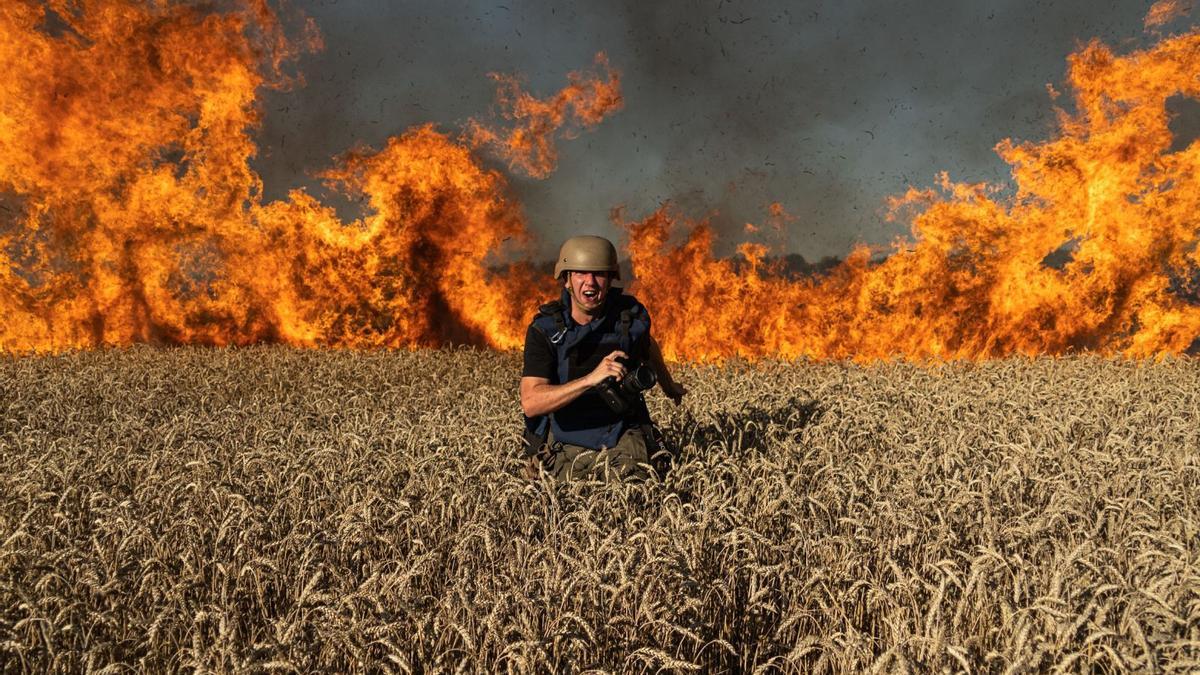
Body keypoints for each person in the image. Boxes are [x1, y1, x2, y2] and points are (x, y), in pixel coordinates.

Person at [520, 235, 687, 481]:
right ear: (566, 279)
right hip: (567, 436)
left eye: (599, 274)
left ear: (610, 280)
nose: (590, 282)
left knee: (635, 495)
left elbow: (647, 344)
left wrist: (667, 384)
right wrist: (590, 379)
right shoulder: (546, 331)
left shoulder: (627, 319)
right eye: (580, 274)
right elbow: (531, 402)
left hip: (620, 434)